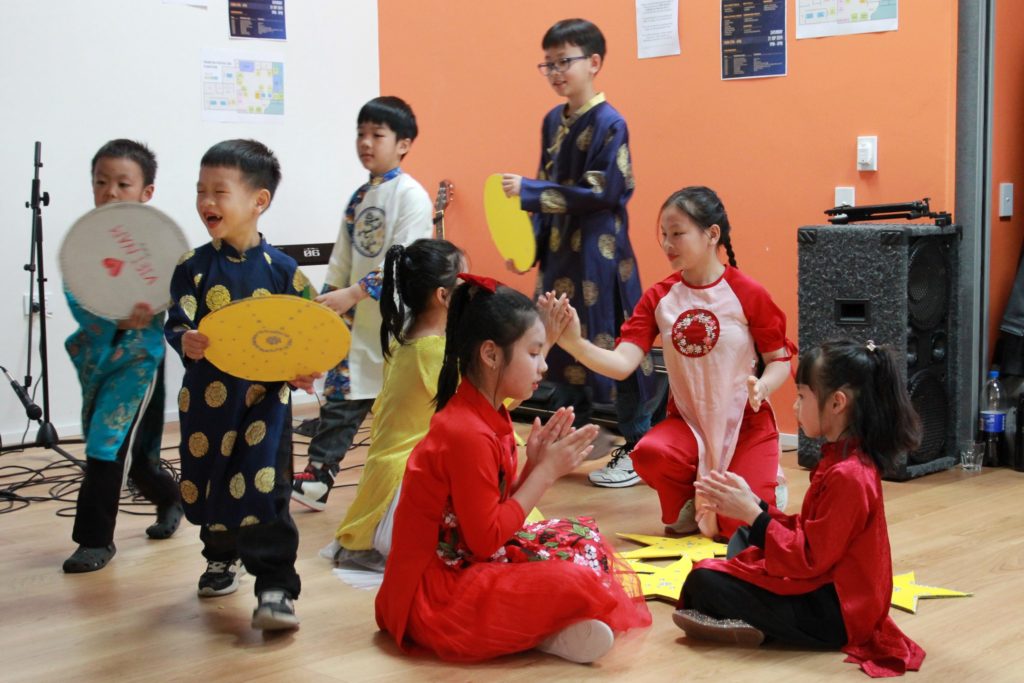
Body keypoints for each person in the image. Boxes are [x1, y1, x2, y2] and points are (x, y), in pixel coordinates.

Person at [375, 275, 651, 664]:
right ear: (490, 355)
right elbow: (485, 539)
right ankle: (537, 630)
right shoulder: (466, 430)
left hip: (468, 560)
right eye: (535, 353)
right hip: (437, 595)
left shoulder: (488, 410)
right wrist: (544, 473)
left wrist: (533, 468)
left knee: (581, 539)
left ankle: (540, 628)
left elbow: (490, 511)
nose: (544, 366)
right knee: (575, 580)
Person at [674, 339, 926, 678]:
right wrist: (757, 505)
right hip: (830, 588)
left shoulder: (849, 474)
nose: (795, 407)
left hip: (837, 613)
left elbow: (809, 556)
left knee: (703, 580)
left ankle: (755, 624)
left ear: (837, 403)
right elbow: (810, 531)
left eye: (802, 396)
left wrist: (752, 512)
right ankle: (752, 617)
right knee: (747, 538)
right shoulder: (844, 459)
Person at [553, 186, 794, 539]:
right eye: (663, 235)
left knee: (737, 531)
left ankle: (770, 483)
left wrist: (765, 385)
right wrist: (573, 343)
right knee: (650, 452)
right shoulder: (660, 297)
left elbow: (780, 361)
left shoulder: (748, 292)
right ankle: (688, 499)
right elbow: (622, 364)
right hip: (689, 425)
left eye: (678, 234)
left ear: (712, 234)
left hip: (746, 425)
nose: (667, 244)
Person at [165, 139, 318, 630]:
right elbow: (177, 320)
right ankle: (219, 555)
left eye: (219, 191)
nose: (207, 202)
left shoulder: (283, 272)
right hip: (207, 404)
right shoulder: (191, 267)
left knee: (263, 484)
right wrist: (184, 338)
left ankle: (275, 587)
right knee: (212, 477)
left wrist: (304, 367)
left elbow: (309, 332)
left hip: (265, 403)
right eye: (200, 191)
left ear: (258, 201)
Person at [500, 18, 657, 489]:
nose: (554, 71)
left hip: (599, 256)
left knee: (615, 347)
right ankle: (571, 446)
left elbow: (603, 189)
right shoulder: (552, 120)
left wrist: (529, 191)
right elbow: (546, 183)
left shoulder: (612, 123)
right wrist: (525, 245)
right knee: (559, 346)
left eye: (563, 61)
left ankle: (637, 447)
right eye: (547, 63)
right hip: (559, 254)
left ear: (594, 62)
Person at [292, 95, 434, 511]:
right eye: (361, 134)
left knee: (402, 411)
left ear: (403, 143)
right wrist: (329, 297)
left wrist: (354, 293)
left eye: (377, 135)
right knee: (342, 399)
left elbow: (404, 259)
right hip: (356, 323)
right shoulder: (359, 198)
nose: (366, 143)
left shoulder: (411, 196)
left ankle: (409, 484)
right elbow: (343, 254)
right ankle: (318, 476)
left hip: (395, 322)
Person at [62, 139, 182, 574]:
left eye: (122, 183)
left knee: (106, 444)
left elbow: (173, 291)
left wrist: (150, 312)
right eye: (101, 182)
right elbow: (77, 294)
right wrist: (113, 318)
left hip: (138, 361)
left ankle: (94, 541)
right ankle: (171, 497)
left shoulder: (157, 244)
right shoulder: (83, 241)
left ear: (146, 192)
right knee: (141, 454)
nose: (110, 192)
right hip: (98, 356)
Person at [324, 238, 464, 571]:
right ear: (443, 296)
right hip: (404, 486)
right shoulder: (432, 352)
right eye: (465, 282)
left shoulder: (405, 339)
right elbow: (491, 403)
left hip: (387, 479)